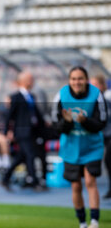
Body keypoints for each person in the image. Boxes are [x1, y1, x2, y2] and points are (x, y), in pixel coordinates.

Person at [52, 66, 107, 228]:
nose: (77, 82)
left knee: (91, 181)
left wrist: (85, 121)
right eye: (74, 79)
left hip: (92, 147)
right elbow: (56, 126)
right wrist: (67, 122)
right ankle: (82, 222)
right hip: (70, 147)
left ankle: (95, 221)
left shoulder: (96, 95)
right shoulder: (61, 96)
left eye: (80, 78)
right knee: (76, 185)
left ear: (86, 80)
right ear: (69, 81)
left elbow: (101, 122)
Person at [2, 71, 45, 191]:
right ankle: (34, 182)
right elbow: (9, 116)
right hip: (22, 132)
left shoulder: (32, 96)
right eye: (30, 79)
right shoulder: (15, 97)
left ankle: (5, 178)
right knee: (30, 155)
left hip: (32, 132)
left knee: (21, 157)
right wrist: (6, 132)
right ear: (23, 81)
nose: (32, 81)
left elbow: (36, 114)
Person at [90, 75, 111, 199]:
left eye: (96, 84)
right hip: (101, 135)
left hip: (109, 134)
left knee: (109, 161)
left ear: (102, 86)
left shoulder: (106, 100)